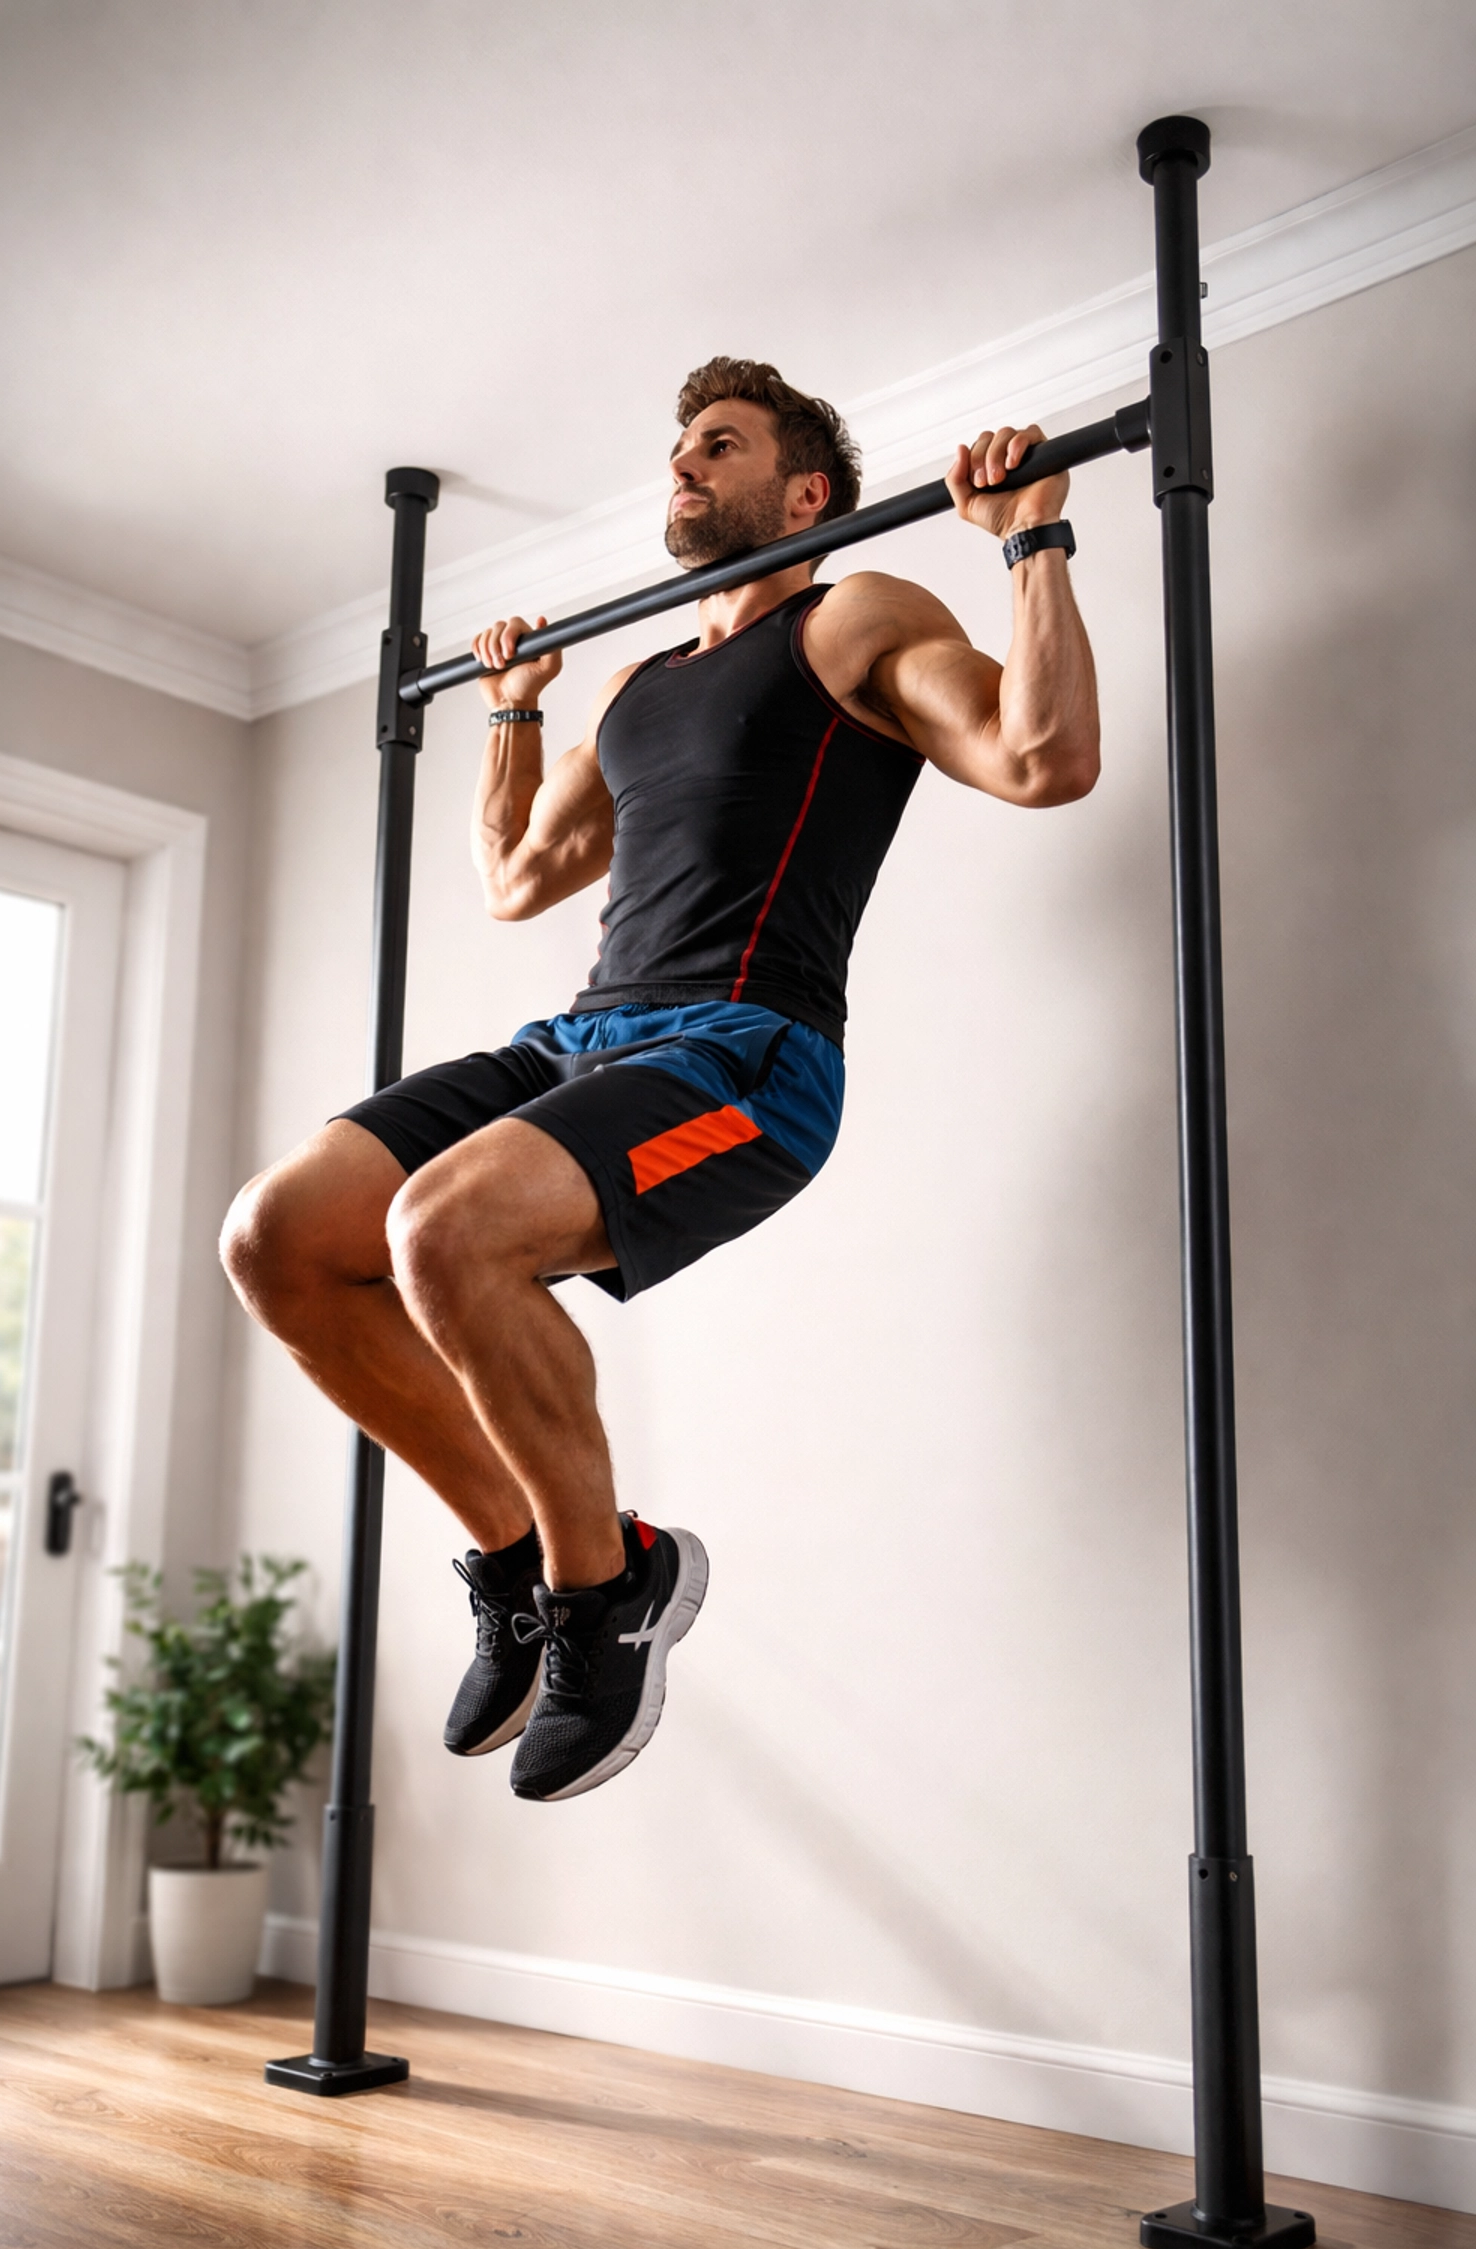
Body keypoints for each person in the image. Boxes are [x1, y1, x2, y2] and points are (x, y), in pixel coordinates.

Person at [220, 357, 1100, 1804]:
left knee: (446, 1229)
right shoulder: (637, 682)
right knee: (280, 1238)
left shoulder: (859, 615)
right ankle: (524, 1561)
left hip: (746, 1054)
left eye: (720, 445)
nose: (682, 466)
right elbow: (516, 879)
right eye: (679, 448)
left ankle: (603, 1593)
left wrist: (1029, 539)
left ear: (803, 493)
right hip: (582, 1039)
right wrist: (512, 707)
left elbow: (1046, 757)